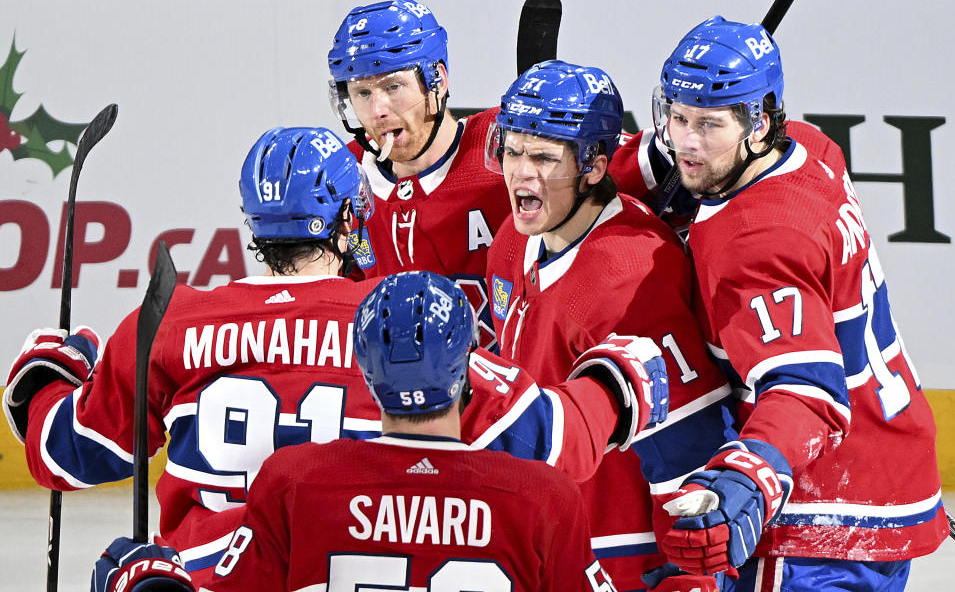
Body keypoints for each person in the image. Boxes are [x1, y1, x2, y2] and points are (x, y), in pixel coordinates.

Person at [8, 127, 669, 588]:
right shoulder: (396, 325)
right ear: (351, 218)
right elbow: (557, 440)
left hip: (200, 581)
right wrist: (617, 377)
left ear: (253, 225)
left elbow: (67, 452)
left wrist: (44, 374)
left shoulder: (175, 320)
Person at [88, 272, 674, 592]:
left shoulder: (296, 481)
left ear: (365, 378)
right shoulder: (542, 498)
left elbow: (230, 585)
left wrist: (154, 585)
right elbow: (561, 432)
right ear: (471, 372)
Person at [633, 16, 948, 591]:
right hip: (890, 458)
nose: (686, 141)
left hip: (821, 508)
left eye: (708, 124)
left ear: (758, 124)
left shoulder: (755, 244)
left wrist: (746, 478)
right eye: (677, 117)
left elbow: (806, 390)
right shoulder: (810, 146)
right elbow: (680, 162)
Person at [483, 59, 737, 591]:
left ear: (595, 167)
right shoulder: (511, 238)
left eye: (544, 158)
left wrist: (689, 578)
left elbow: (687, 448)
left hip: (617, 557)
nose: (520, 173)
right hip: (531, 540)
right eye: (512, 151)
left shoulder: (635, 273)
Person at [327, 0, 512, 349]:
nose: (377, 110)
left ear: (437, 80)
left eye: (393, 87)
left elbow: (637, 163)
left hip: (509, 392)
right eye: (362, 92)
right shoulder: (341, 175)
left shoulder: (507, 147)